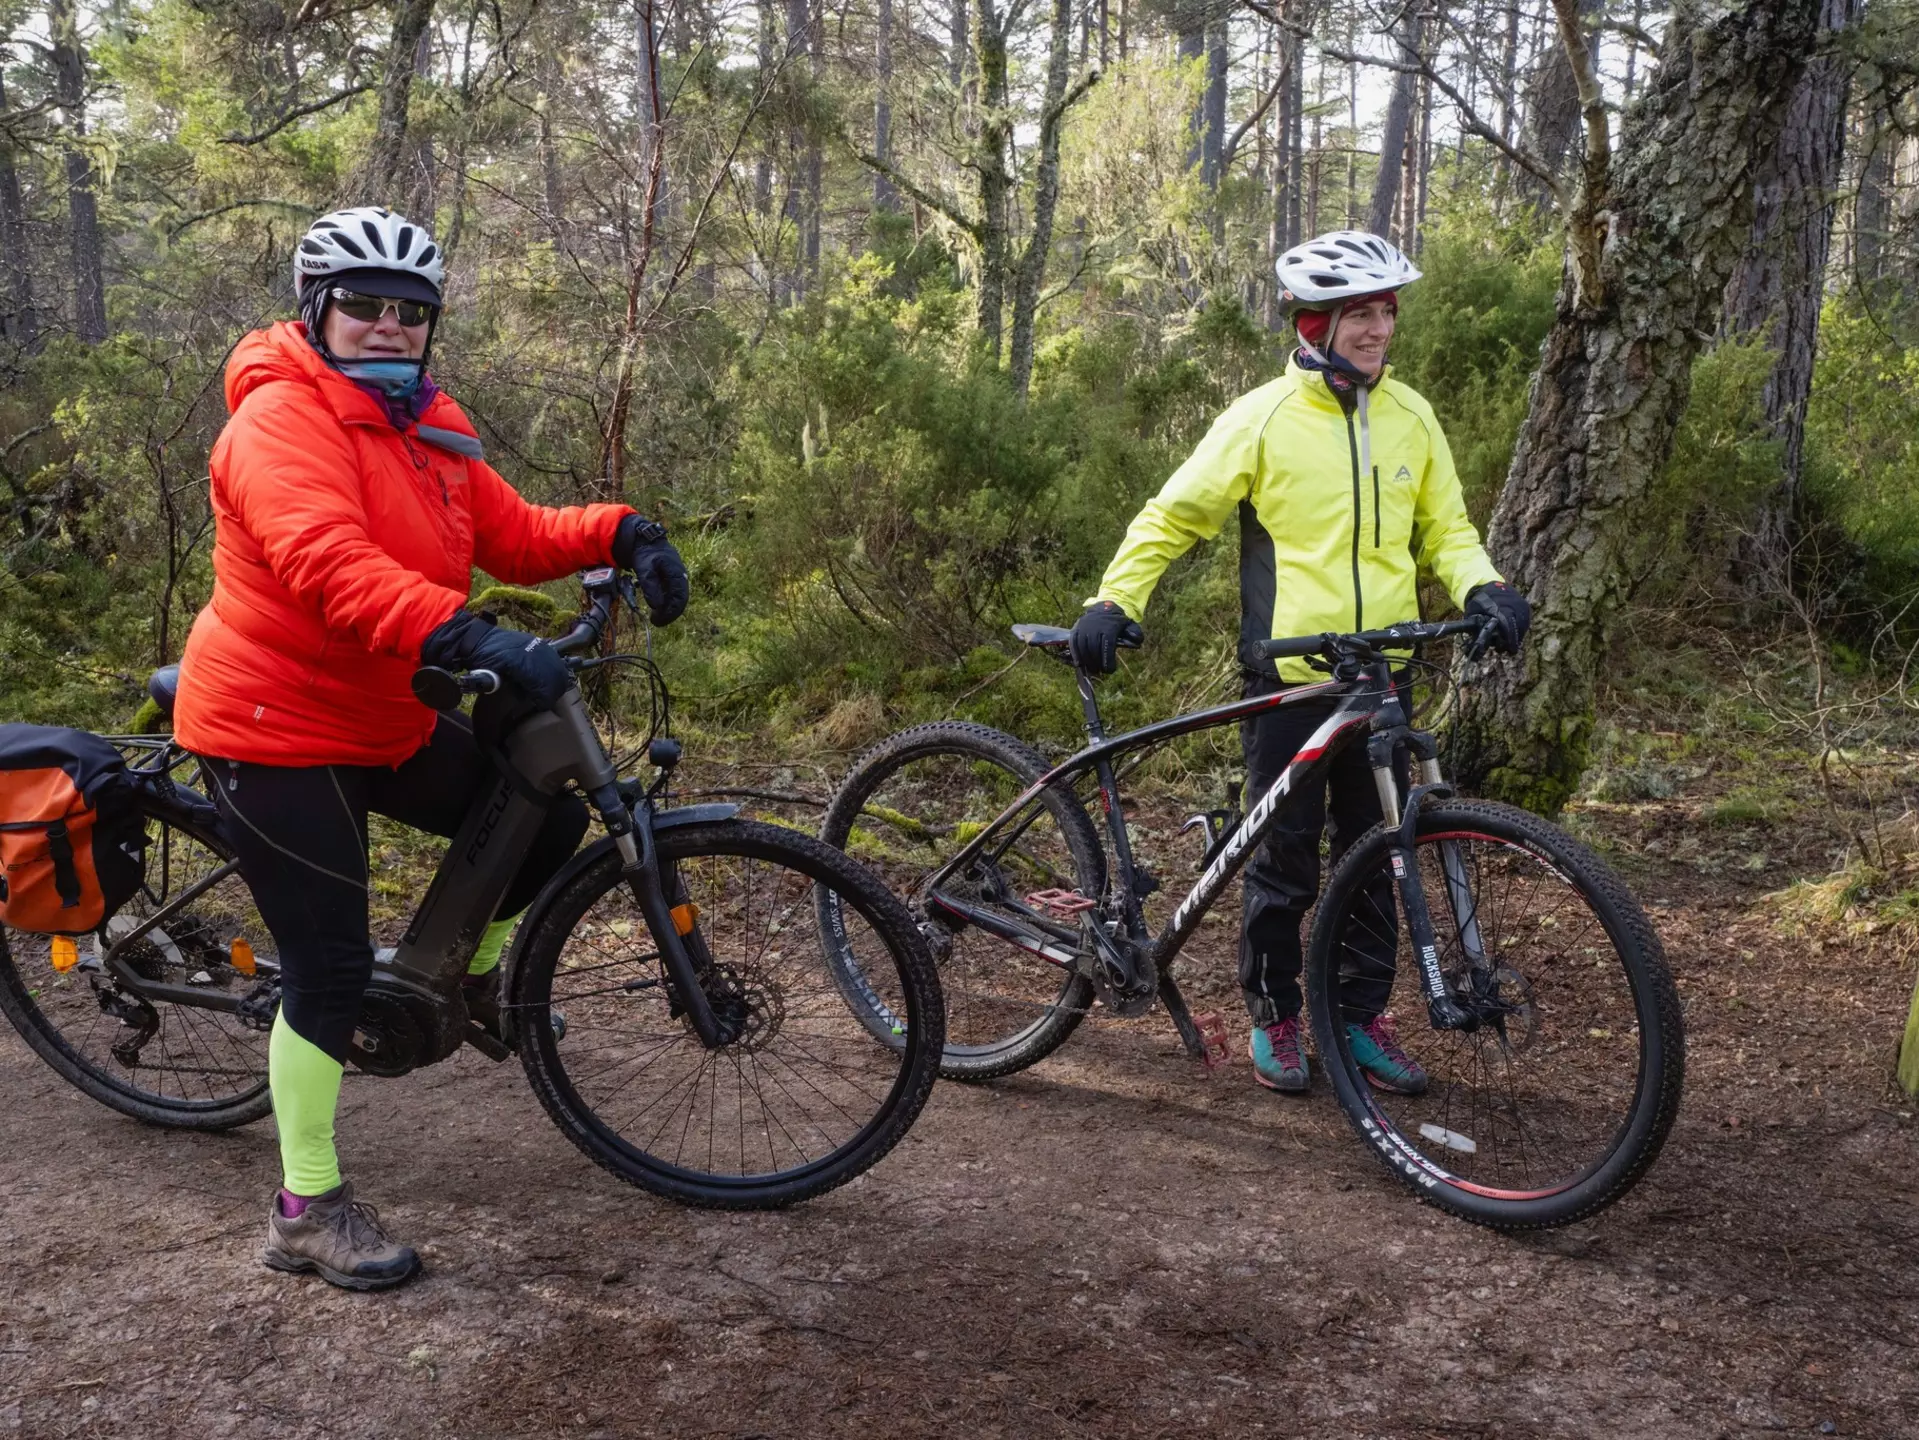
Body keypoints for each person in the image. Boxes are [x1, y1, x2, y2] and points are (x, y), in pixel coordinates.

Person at [173, 207, 690, 1290]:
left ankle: (474, 980)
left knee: (542, 819)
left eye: (410, 311)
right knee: (324, 970)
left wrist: (618, 531)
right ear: (317, 311)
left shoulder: (423, 425)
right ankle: (304, 1211)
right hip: (274, 726)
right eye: (363, 304)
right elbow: (328, 564)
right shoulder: (278, 424)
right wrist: (463, 632)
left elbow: (509, 530)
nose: (387, 325)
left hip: (383, 717)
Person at [1068, 230, 1531, 1098]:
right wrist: (1114, 601)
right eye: (1361, 312)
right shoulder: (1262, 418)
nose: (1380, 328)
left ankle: (1357, 1019)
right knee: (1285, 861)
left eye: (1388, 310)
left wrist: (1484, 587)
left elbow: (1447, 531)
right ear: (1315, 323)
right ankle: (1273, 1014)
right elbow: (1171, 517)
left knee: (1380, 854)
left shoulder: (1411, 414)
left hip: (1382, 674)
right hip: (1291, 679)